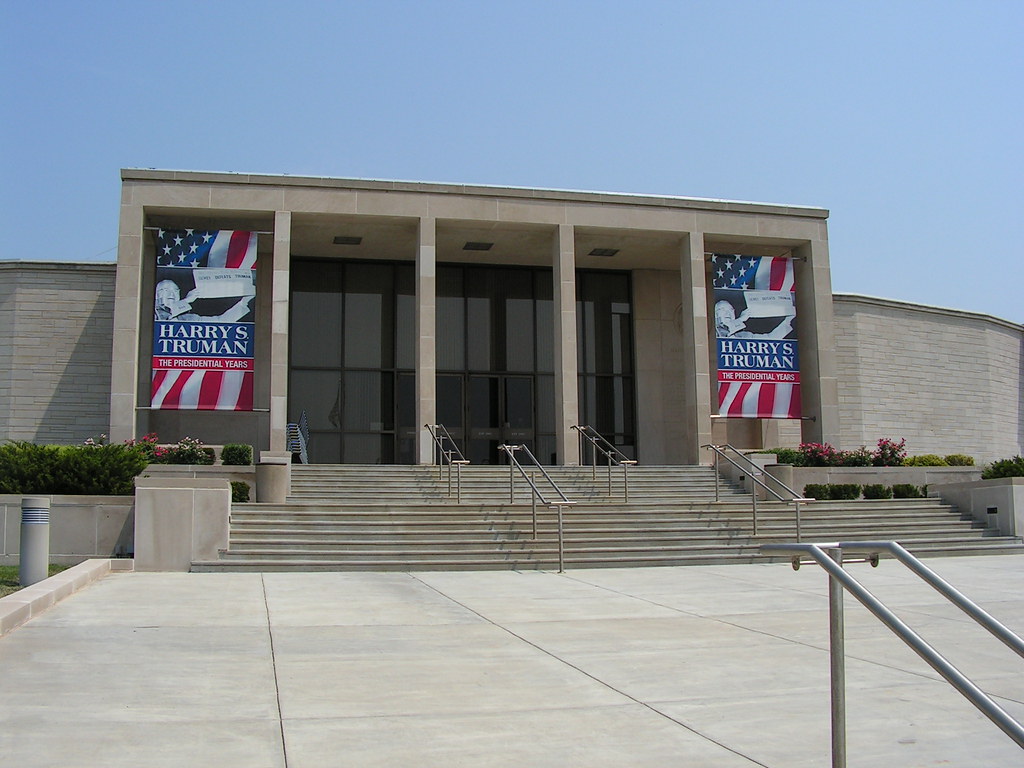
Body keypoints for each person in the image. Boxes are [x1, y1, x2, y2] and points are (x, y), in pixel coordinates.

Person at [154, 279, 254, 322]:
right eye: (166, 290)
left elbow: (221, 320)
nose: (172, 294)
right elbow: (165, 318)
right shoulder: (152, 312)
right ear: (156, 295)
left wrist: (245, 301)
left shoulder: (190, 318)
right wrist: (187, 300)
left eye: (175, 291)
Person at [714, 300, 793, 339]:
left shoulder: (744, 336)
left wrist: (789, 321)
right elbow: (724, 334)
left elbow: (770, 338)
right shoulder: (713, 332)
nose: (728, 313)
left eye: (730, 310)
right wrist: (741, 319)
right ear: (715, 314)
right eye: (723, 309)